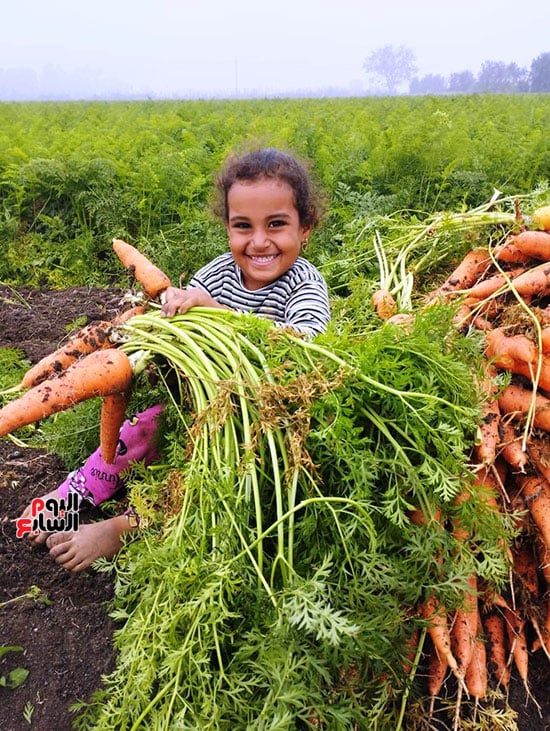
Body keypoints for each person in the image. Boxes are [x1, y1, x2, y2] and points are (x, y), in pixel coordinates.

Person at [19, 147, 331, 573]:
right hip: (194, 405)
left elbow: (303, 346)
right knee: (136, 433)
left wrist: (218, 313)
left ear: (306, 229)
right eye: (243, 226)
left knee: (216, 478)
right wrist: (162, 322)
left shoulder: (305, 285)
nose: (259, 241)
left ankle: (123, 528)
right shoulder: (219, 273)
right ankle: (67, 500)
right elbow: (181, 314)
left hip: (259, 420)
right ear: (228, 229)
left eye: (276, 225)